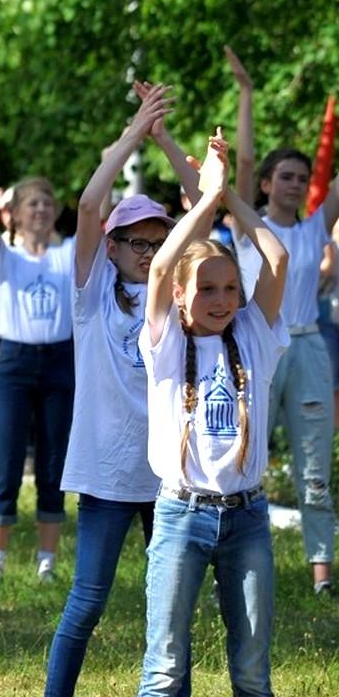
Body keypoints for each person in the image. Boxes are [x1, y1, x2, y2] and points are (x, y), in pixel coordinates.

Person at [138, 127, 289, 696]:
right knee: (165, 669)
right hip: (182, 515)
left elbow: (275, 256)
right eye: (207, 289)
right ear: (181, 295)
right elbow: (158, 270)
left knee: (251, 671)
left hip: (247, 517)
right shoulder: (166, 344)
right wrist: (204, 199)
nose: (223, 299)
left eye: (230, 287)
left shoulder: (252, 334)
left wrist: (228, 198)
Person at [44, 85, 175, 696]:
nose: (149, 253)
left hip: (172, 474)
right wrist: (131, 135)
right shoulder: (91, 294)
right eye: (138, 243)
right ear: (114, 247)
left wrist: (164, 138)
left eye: (159, 242)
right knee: (87, 602)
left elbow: (207, 203)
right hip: (105, 472)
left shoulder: (178, 297)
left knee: (169, 607)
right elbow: (92, 202)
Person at [225, 47, 338, 596]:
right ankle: (247, 562)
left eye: (302, 177)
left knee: (315, 469)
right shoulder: (248, 227)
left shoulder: (317, 227)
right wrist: (245, 92)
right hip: (259, 349)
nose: (295, 184)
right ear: (267, 185)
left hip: (311, 349)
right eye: (285, 177)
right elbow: (241, 165)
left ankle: (322, 575)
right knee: (248, 461)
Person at [0, 145, 74, 581]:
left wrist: (114, 156)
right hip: (16, 362)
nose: (41, 209)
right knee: (7, 462)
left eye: (47, 202)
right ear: (15, 213)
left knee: (53, 464)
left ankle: (47, 564)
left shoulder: (67, 255)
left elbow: (94, 212)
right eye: (32, 203)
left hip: (60, 363)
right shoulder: (5, 256)